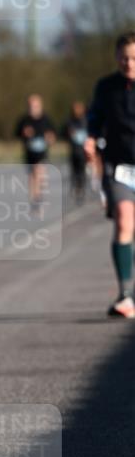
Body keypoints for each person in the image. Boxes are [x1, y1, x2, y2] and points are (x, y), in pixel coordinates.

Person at [85, 32, 135, 319]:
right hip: (119, 169)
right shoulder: (106, 87)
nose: (129, 63)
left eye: (133, 58)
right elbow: (95, 119)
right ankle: (125, 294)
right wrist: (90, 139)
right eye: (124, 57)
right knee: (124, 222)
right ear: (116, 58)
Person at [15, 94, 56, 214]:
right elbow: (16, 133)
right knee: (32, 177)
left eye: (35, 106)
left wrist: (50, 138)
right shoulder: (24, 120)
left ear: (40, 106)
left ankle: (38, 198)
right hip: (29, 153)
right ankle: (34, 199)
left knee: (38, 172)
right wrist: (24, 133)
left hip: (42, 153)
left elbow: (53, 136)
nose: (33, 108)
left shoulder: (46, 119)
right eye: (31, 106)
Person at [62, 101, 89, 204]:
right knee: (74, 172)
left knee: (82, 172)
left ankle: (81, 188)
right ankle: (75, 188)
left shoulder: (86, 121)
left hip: (84, 152)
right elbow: (62, 134)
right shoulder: (69, 122)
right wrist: (68, 134)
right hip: (73, 151)